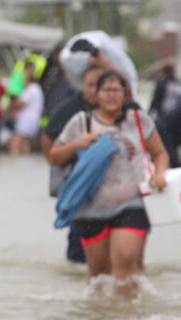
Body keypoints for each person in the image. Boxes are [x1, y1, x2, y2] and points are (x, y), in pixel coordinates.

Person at [49, 70, 169, 295]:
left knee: (125, 263)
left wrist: (160, 174)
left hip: (131, 204)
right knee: (99, 276)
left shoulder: (138, 120)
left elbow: (160, 153)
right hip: (90, 208)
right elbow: (55, 156)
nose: (112, 95)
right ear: (96, 94)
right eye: (106, 89)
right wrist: (77, 144)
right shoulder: (81, 122)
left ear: (126, 94)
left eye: (117, 90)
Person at [42, 63, 104, 264]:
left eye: (99, 85)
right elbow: (48, 138)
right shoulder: (71, 111)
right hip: (80, 189)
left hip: (110, 194)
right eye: (90, 85)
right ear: (82, 86)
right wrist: (60, 163)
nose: (94, 90)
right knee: (79, 249)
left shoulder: (120, 112)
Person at [8, 61, 44, 155]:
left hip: (27, 121)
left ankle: (15, 165)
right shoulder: (36, 88)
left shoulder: (32, 88)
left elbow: (19, 103)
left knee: (14, 144)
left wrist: (11, 102)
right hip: (32, 121)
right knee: (25, 145)